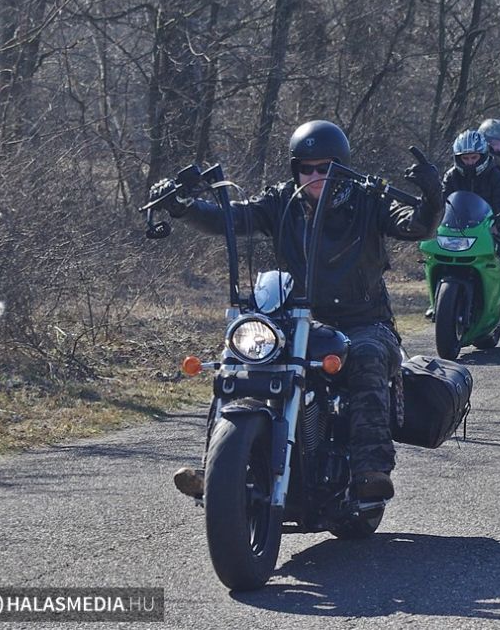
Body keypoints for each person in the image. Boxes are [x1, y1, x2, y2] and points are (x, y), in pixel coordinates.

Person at [150, 120, 443, 502]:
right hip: (293, 319)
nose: (315, 175)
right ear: (295, 169)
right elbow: (232, 217)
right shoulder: (282, 201)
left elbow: (415, 225)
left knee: (368, 356)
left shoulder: (368, 200)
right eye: (307, 168)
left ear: (342, 167)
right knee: (239, 356)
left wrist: (432, 196)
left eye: (325, 168)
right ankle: (218, 467)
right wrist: (183, 207)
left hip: (364, 321)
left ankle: (370, 469)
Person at [442, 129, 500, 324]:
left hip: (491, 227)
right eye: (465, 158)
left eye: (474, 157)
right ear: (458, 158)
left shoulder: (496, 176)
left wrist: (499, 223)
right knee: (432, 258)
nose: (470, 162)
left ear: (484, 156)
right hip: (456, 230)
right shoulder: (451, 176)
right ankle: (437, 301)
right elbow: (441, 201)